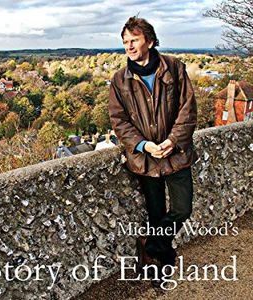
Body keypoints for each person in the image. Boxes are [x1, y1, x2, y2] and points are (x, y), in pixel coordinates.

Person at [108, 16, 197, 286]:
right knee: (156, 213)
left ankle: (151, 244)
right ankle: (162, 264)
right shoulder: (119, 80)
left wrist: (172, 141)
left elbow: (188, 109)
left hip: (177, 153)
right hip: (145, 159)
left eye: (134, 40)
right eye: (125, 42)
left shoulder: (174, 68)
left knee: (182, 208)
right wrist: (144, 145)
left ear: (149, 39)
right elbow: (118, 120)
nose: (129, 46)